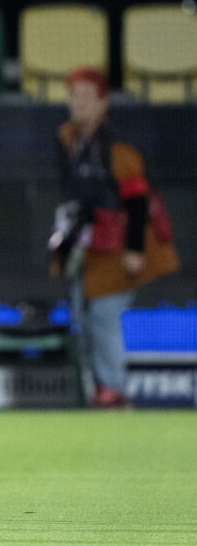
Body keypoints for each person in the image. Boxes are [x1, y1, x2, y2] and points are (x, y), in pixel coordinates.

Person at [50, 67, 178, 408]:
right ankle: (98, 388)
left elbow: (138, 203)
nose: (77, 104)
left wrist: (135, 249)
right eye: (72, 96)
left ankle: (114, 390)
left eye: (85, 97)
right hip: (86, 245)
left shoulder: (120, 148)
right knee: (81, 315)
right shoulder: (68, 140)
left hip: (119, 247)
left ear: (103, 102)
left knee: (104, 316)